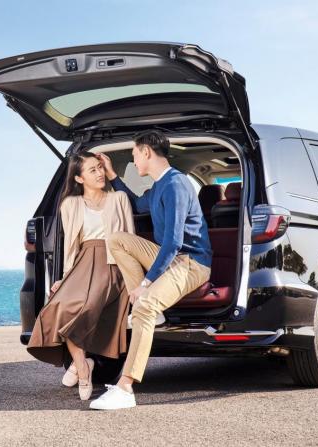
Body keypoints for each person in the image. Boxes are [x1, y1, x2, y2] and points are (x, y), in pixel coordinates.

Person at [89, 130, 212, 410]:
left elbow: (173, 242)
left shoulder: (176, 184)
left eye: (134, 155)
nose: (134, 162)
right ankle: (152, 313)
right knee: (117, 239)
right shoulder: (158, 186)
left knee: (143, 305)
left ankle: (125, 389)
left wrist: (146, 284)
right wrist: (111, 174)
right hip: (171, 258)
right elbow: (134, 203)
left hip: (192, 263)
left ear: (146, 152)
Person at [26, 151, 135, 401]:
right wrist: (64, 278)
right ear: (78, 178)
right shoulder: (70, 204)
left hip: (112, 263)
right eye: (92, 170)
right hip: (82, 263)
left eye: (100, 168)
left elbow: (131, 237)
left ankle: (81, 367)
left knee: (86, 307)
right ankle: (83, 366)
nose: (99, 173)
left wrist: (133, 279)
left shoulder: (119, 198)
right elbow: (70, 247)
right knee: (58, 307)